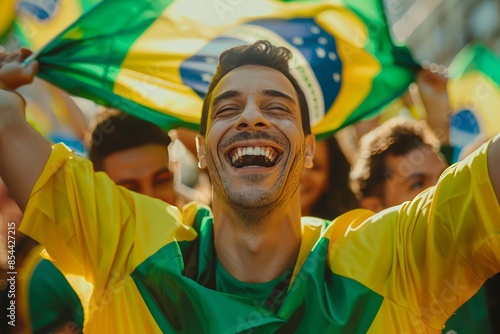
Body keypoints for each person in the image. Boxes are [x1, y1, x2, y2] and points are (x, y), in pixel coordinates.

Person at [0, 41, 499, 332]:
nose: (252, 118)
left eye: (277, 107)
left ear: (307, 149)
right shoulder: (127, 244)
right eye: (228, 109)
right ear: (200, 149)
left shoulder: (392, 257)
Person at [349, 117, 493, 333]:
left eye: (444, 178)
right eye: (417, 184)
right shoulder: (361, 302)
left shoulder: (486, 251)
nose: (441, 193)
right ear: (375, 208)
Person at [300, 136, 358, 220]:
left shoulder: (340, 231)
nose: (302, 175)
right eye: (296, 161)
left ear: (329, 180)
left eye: (315, 167)